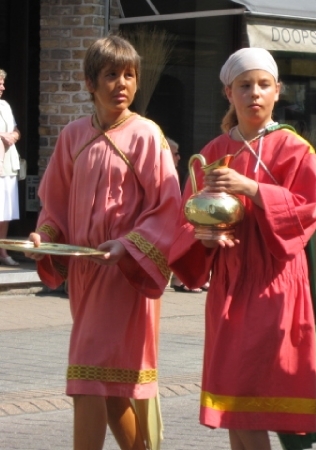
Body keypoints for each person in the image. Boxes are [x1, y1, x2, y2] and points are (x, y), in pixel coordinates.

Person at [169, 47, 316, 450]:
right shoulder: (210, 152)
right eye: (244, 86)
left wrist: (253, 189)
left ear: (278, 91)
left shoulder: (295, 149)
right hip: (229, 285)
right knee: (233, 406)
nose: (253, 93)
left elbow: (307, 213)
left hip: (276, 285)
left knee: (255, 402)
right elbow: (189, 217)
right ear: (228, 93)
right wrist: (204, 237)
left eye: (262, 85)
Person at [25, 35, 181, 450]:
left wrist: (128, 246)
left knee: (86, 382)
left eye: (129, 75)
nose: (122, 84)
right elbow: (54, 204)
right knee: (108, 392)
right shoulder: (72, 136)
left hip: (127, 277)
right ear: (89, 82)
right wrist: (46, 235)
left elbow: (168, 206)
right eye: (111, 75)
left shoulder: (148, 135)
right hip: (86, 276)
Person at [166, 137, 204, 294]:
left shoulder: (177, 171)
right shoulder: (162, 172)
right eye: (175, 154)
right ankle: (180, 278)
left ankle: (188, 278)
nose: (179, 157)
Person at [0, 69, 22, 266]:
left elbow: (15, 130)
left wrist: (13, 136)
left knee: (5, 210)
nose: (3, 87)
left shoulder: (5, 105)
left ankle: (3, 250)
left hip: (7, 164)